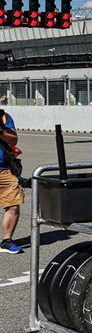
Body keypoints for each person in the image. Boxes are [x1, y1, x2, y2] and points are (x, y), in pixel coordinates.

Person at [0, 108, 22, 254]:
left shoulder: (4, 118)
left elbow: (14, 139)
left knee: (13, 205)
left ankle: (7, 241)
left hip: (4, 171)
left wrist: (1, 131)